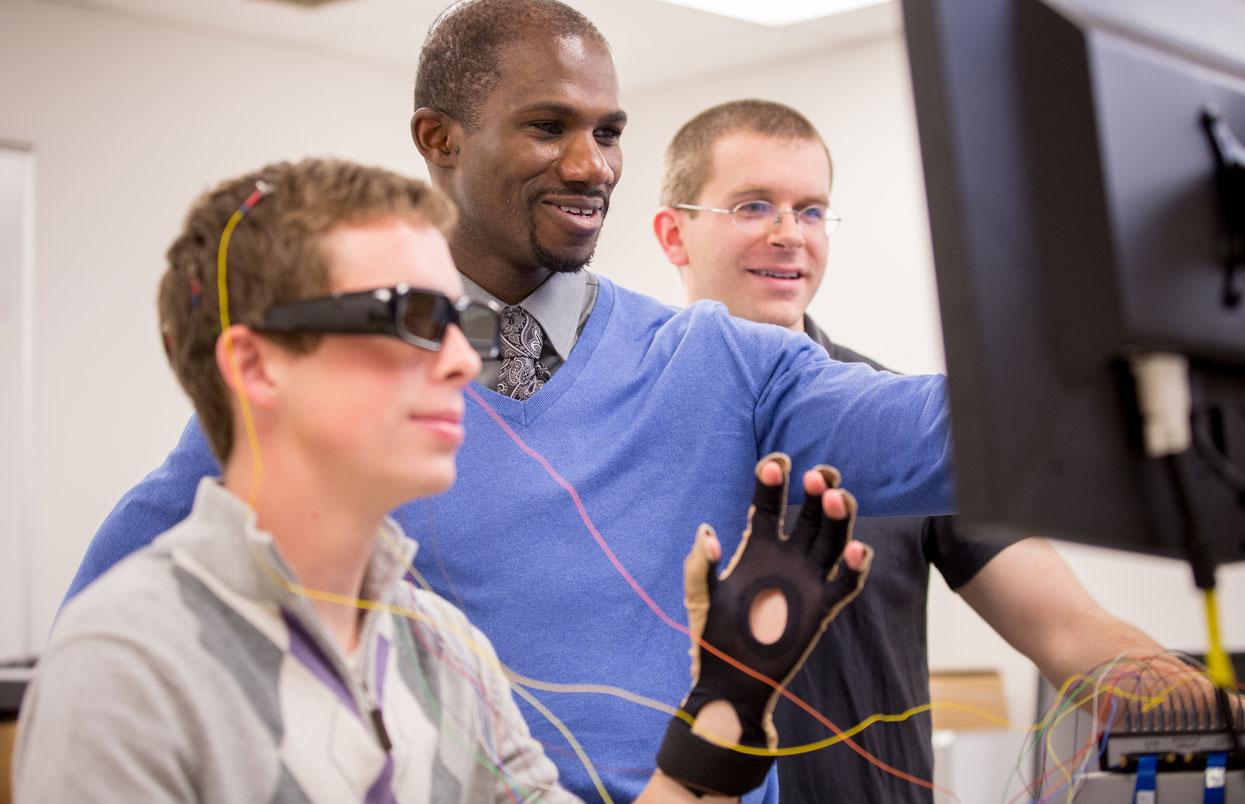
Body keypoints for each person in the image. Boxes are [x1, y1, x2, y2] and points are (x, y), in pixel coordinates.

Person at [61, 2, 954, 801]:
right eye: (548, 126)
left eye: (608, 132)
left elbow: (950, 433)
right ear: (438, 138)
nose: (590, 164)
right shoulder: (327, 409)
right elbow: (113, 634)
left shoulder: (726, 362)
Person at [651, 99, 1190, 802]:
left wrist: (1220, 720)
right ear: (673, 234)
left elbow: (1071, 633)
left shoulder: (903, 427)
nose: (790, 235)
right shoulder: (625, 416)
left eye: (811, 210)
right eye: (754, 206)